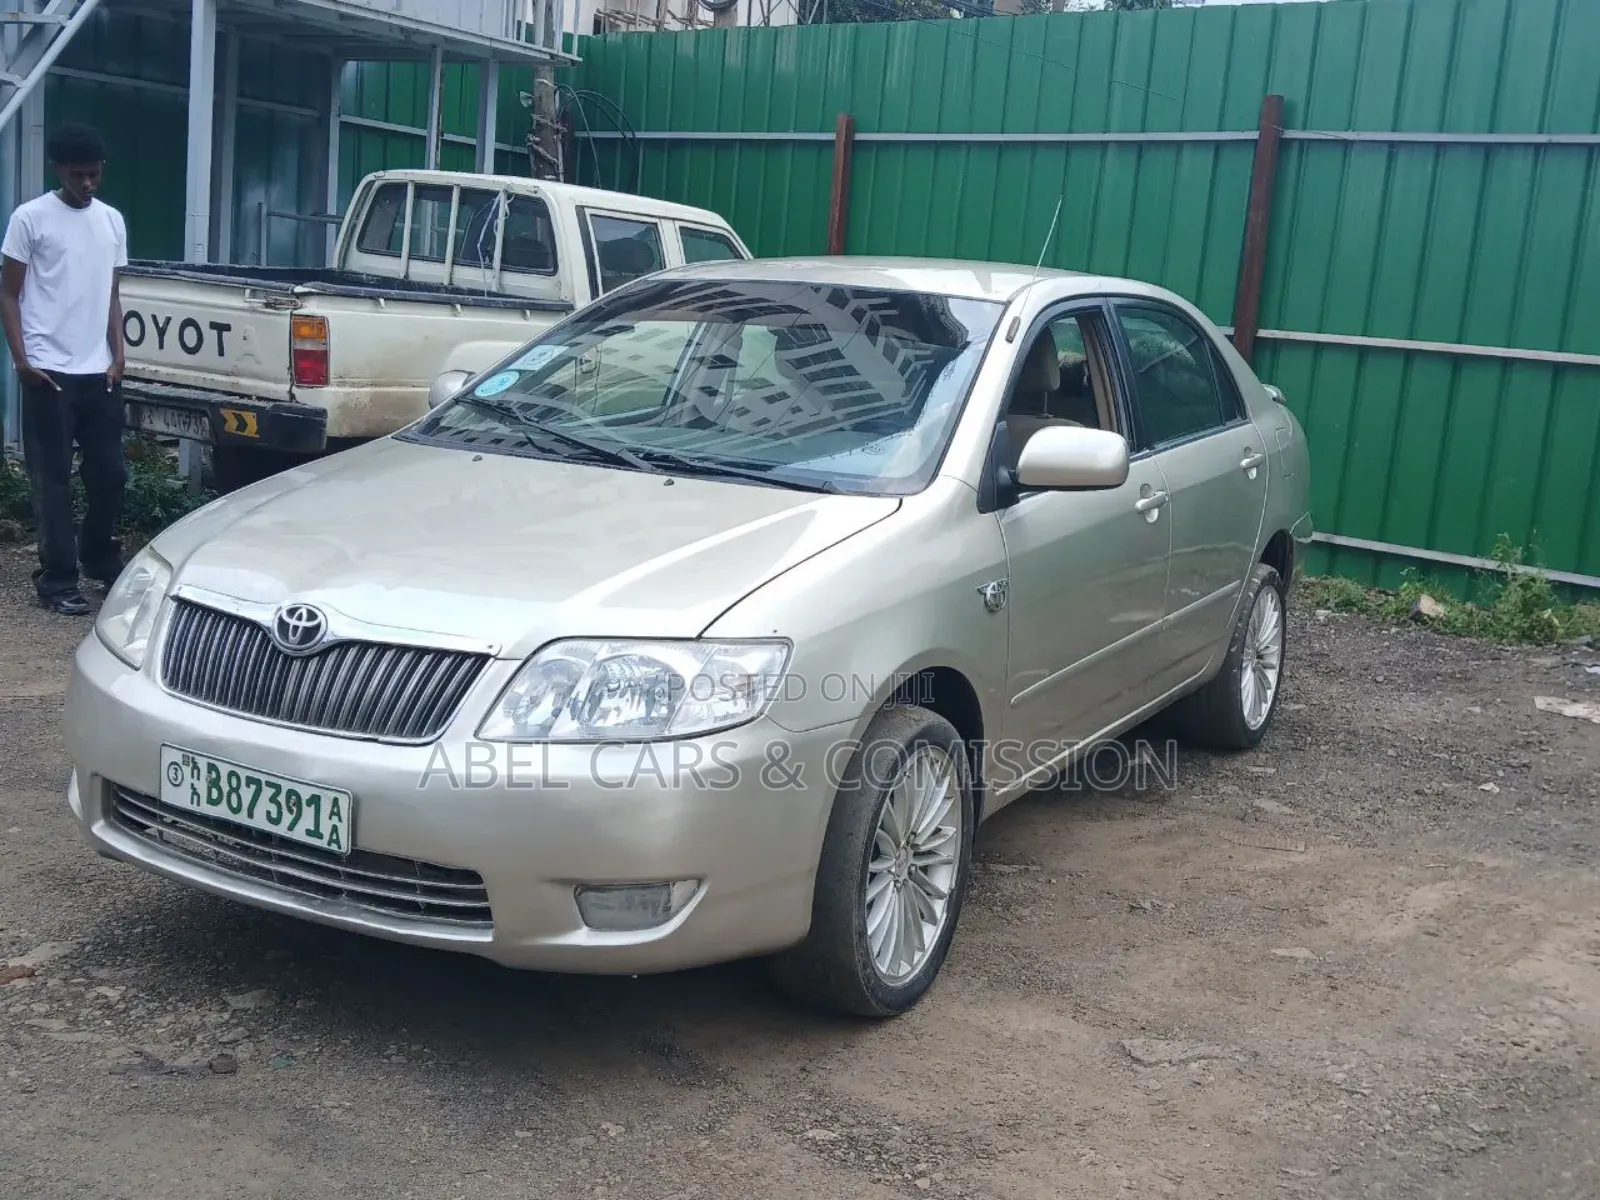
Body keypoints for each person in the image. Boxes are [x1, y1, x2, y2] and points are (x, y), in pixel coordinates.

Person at [1, 121, 128, 615]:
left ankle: (97, 555)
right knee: (51, 479)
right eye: (79, 175)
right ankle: (57, 578)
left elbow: (112, 294)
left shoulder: (112, 221)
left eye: (94, 174)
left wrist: (119, 353)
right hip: (48, 371)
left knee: (110, 474)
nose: (88, 184)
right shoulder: (30, 219)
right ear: (59, 170)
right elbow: (9, 295)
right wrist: (22, 361)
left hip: (99, 372)